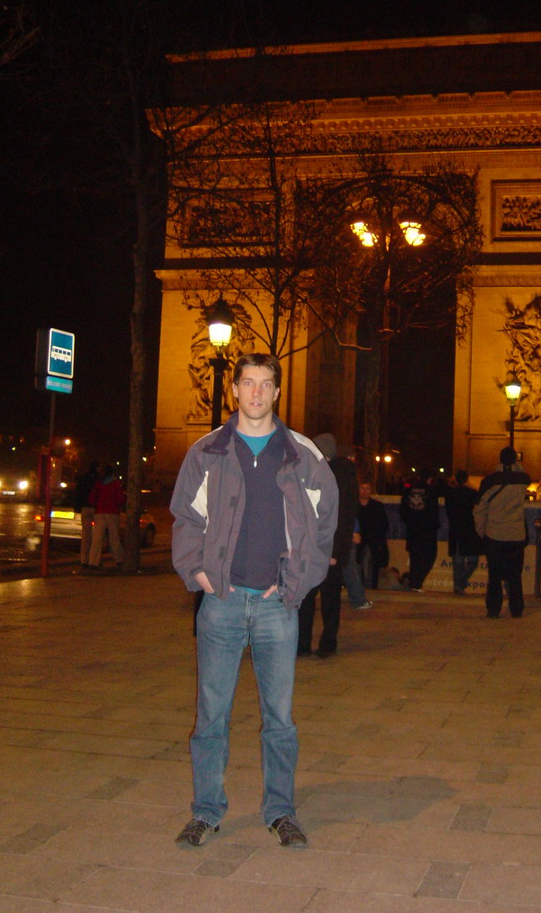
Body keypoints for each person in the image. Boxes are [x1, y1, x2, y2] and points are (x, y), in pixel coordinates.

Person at [171, 354, 338, 851]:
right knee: (210, 719)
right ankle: (205, 811)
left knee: (280, 719)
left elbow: (325, 521)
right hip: (220, 601)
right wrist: (196, 571)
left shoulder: (303, 453)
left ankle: (281, 811)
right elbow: (185, 516)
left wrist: (296, 583)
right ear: (235, 390)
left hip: (276, 605)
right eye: (248, 383)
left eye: (266, 384)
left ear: (278, 392)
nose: (257, 393)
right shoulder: (207, 450)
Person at [298, 432, 365, 660]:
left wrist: (336, 552)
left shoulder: (342, 475)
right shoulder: (313, 469)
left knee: (329, 598)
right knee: (306, 598)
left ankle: (328, 643)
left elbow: (344, 516)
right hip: (311, 546)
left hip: (329, 549)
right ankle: (302, 643)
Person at [474, 446, 531, 618]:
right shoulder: (523, 479)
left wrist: (481, 531)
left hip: (494, 534)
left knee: (495, 575)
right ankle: (516, 608)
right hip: (516, 534)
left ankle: (493, 609)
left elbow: (479, 509)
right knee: (515, 576)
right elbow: (524, 475)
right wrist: (516, 466)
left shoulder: (490, 481)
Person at [399, 470, 440, 591]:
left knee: (415, 557)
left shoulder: (408, 491)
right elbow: (434, 512)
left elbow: (402, 511)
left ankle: (414, 582)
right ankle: (417, 582)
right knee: (429, 556)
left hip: (412, 530)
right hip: (427, 531)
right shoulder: (431, 491)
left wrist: (410, 522)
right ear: (430, 479)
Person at [444, 470, 481, 594]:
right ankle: (460, 583)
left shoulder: (450, 494)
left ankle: (458, 585)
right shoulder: (472, 493)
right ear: (467, 479)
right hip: (469, 528)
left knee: (457, 561)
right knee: (472, 561)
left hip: (455, 529)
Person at [88, 464, 125, 569]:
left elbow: (92, 498)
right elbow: (120, 499)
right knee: (114, 537)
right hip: (112, 512)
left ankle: (92, 562)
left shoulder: (99, 484)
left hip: (99, 512)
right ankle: (119, 559)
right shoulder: (116, 484)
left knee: (97, 538)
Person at [356, 477, 389, 588]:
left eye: (367, 488)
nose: (365, 491)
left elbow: (383, 525)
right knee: (357, 568)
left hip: (372, 541)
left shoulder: (377, 506)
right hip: (357, 542)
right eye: (362, 488)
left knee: (370, 568)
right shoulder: (353, 506)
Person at [73, 460, 100, 569]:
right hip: (96, 508)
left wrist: (77, 506)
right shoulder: (98, 479)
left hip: (85, 507)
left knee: (85, 535)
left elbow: (78, 493)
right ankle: (93, 561)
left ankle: (84, 560)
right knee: (96, 536)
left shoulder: (83, 479)